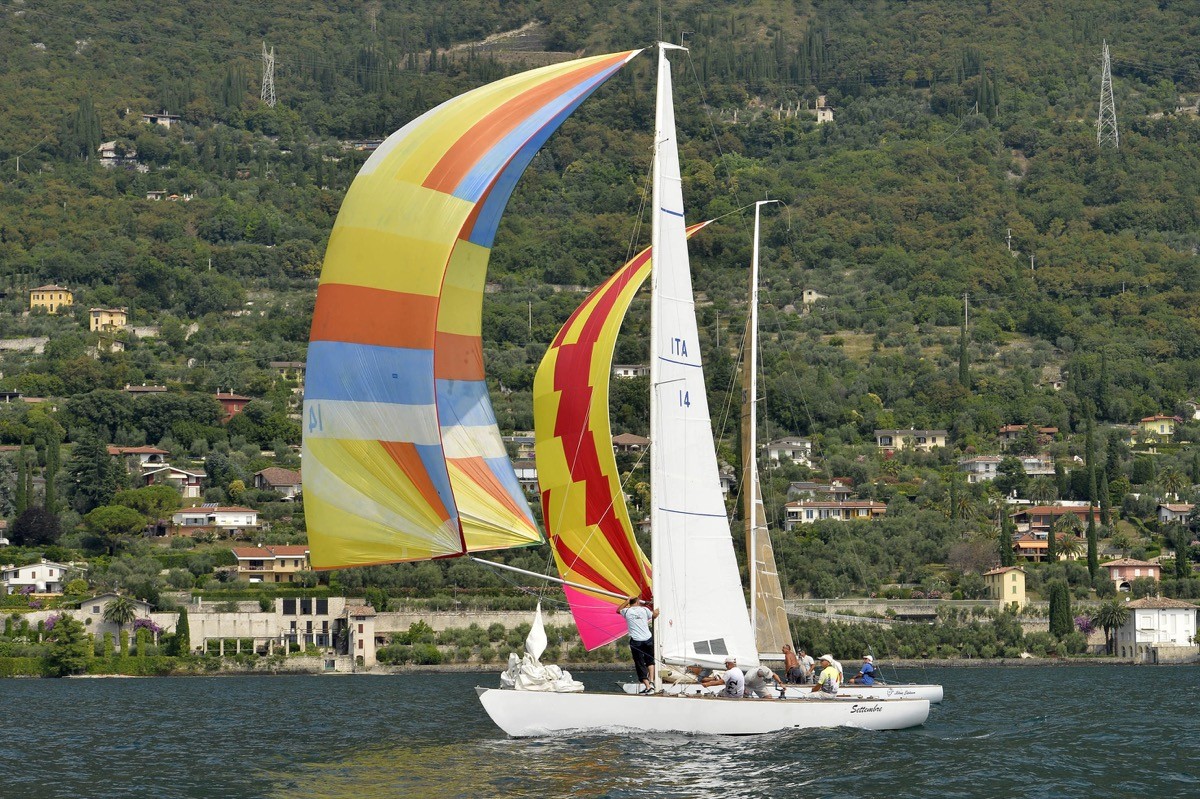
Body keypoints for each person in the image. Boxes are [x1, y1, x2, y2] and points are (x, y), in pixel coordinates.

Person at [618, 596, 659, 693]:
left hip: (636, 641)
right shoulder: (644, 610)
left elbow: (618, 610)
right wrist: (657, 608)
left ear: (630, 603)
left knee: (640, 664)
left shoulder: (627, 611)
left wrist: (626, 601)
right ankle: (652, 681)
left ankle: (649, 686)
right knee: (650, 661)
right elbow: (654, 615)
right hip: (648, 639)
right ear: (637, 602)